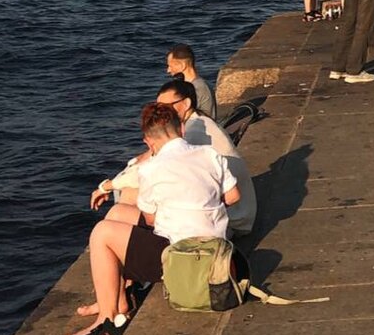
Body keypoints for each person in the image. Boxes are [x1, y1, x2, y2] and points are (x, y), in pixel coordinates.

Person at [66, 101, 240, 335]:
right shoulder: (209, 154)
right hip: (217, 249)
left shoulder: (151, 168)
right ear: (181, 128)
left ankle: (107, 320)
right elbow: (234, 196)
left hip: (182, 257)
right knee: (117, 213)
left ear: (149, 142)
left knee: (102, 233)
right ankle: (119, 296)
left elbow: (150, 221)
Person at [88, 80, 256, 237]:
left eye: (167, 106)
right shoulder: (197, 123)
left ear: (186, 104)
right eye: (159, 106)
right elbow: (148, 160)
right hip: (234, 212)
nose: (163, 111)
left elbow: (144, 173)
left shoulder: (195, 132)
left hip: (232, 220)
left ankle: (133, 250)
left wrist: (106, 187)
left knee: (130, 196)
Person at [166, 44, 218, 122]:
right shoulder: (193, 85)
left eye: (170, 66)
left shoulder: (198, 88)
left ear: (182, 65)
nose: (168, 70)